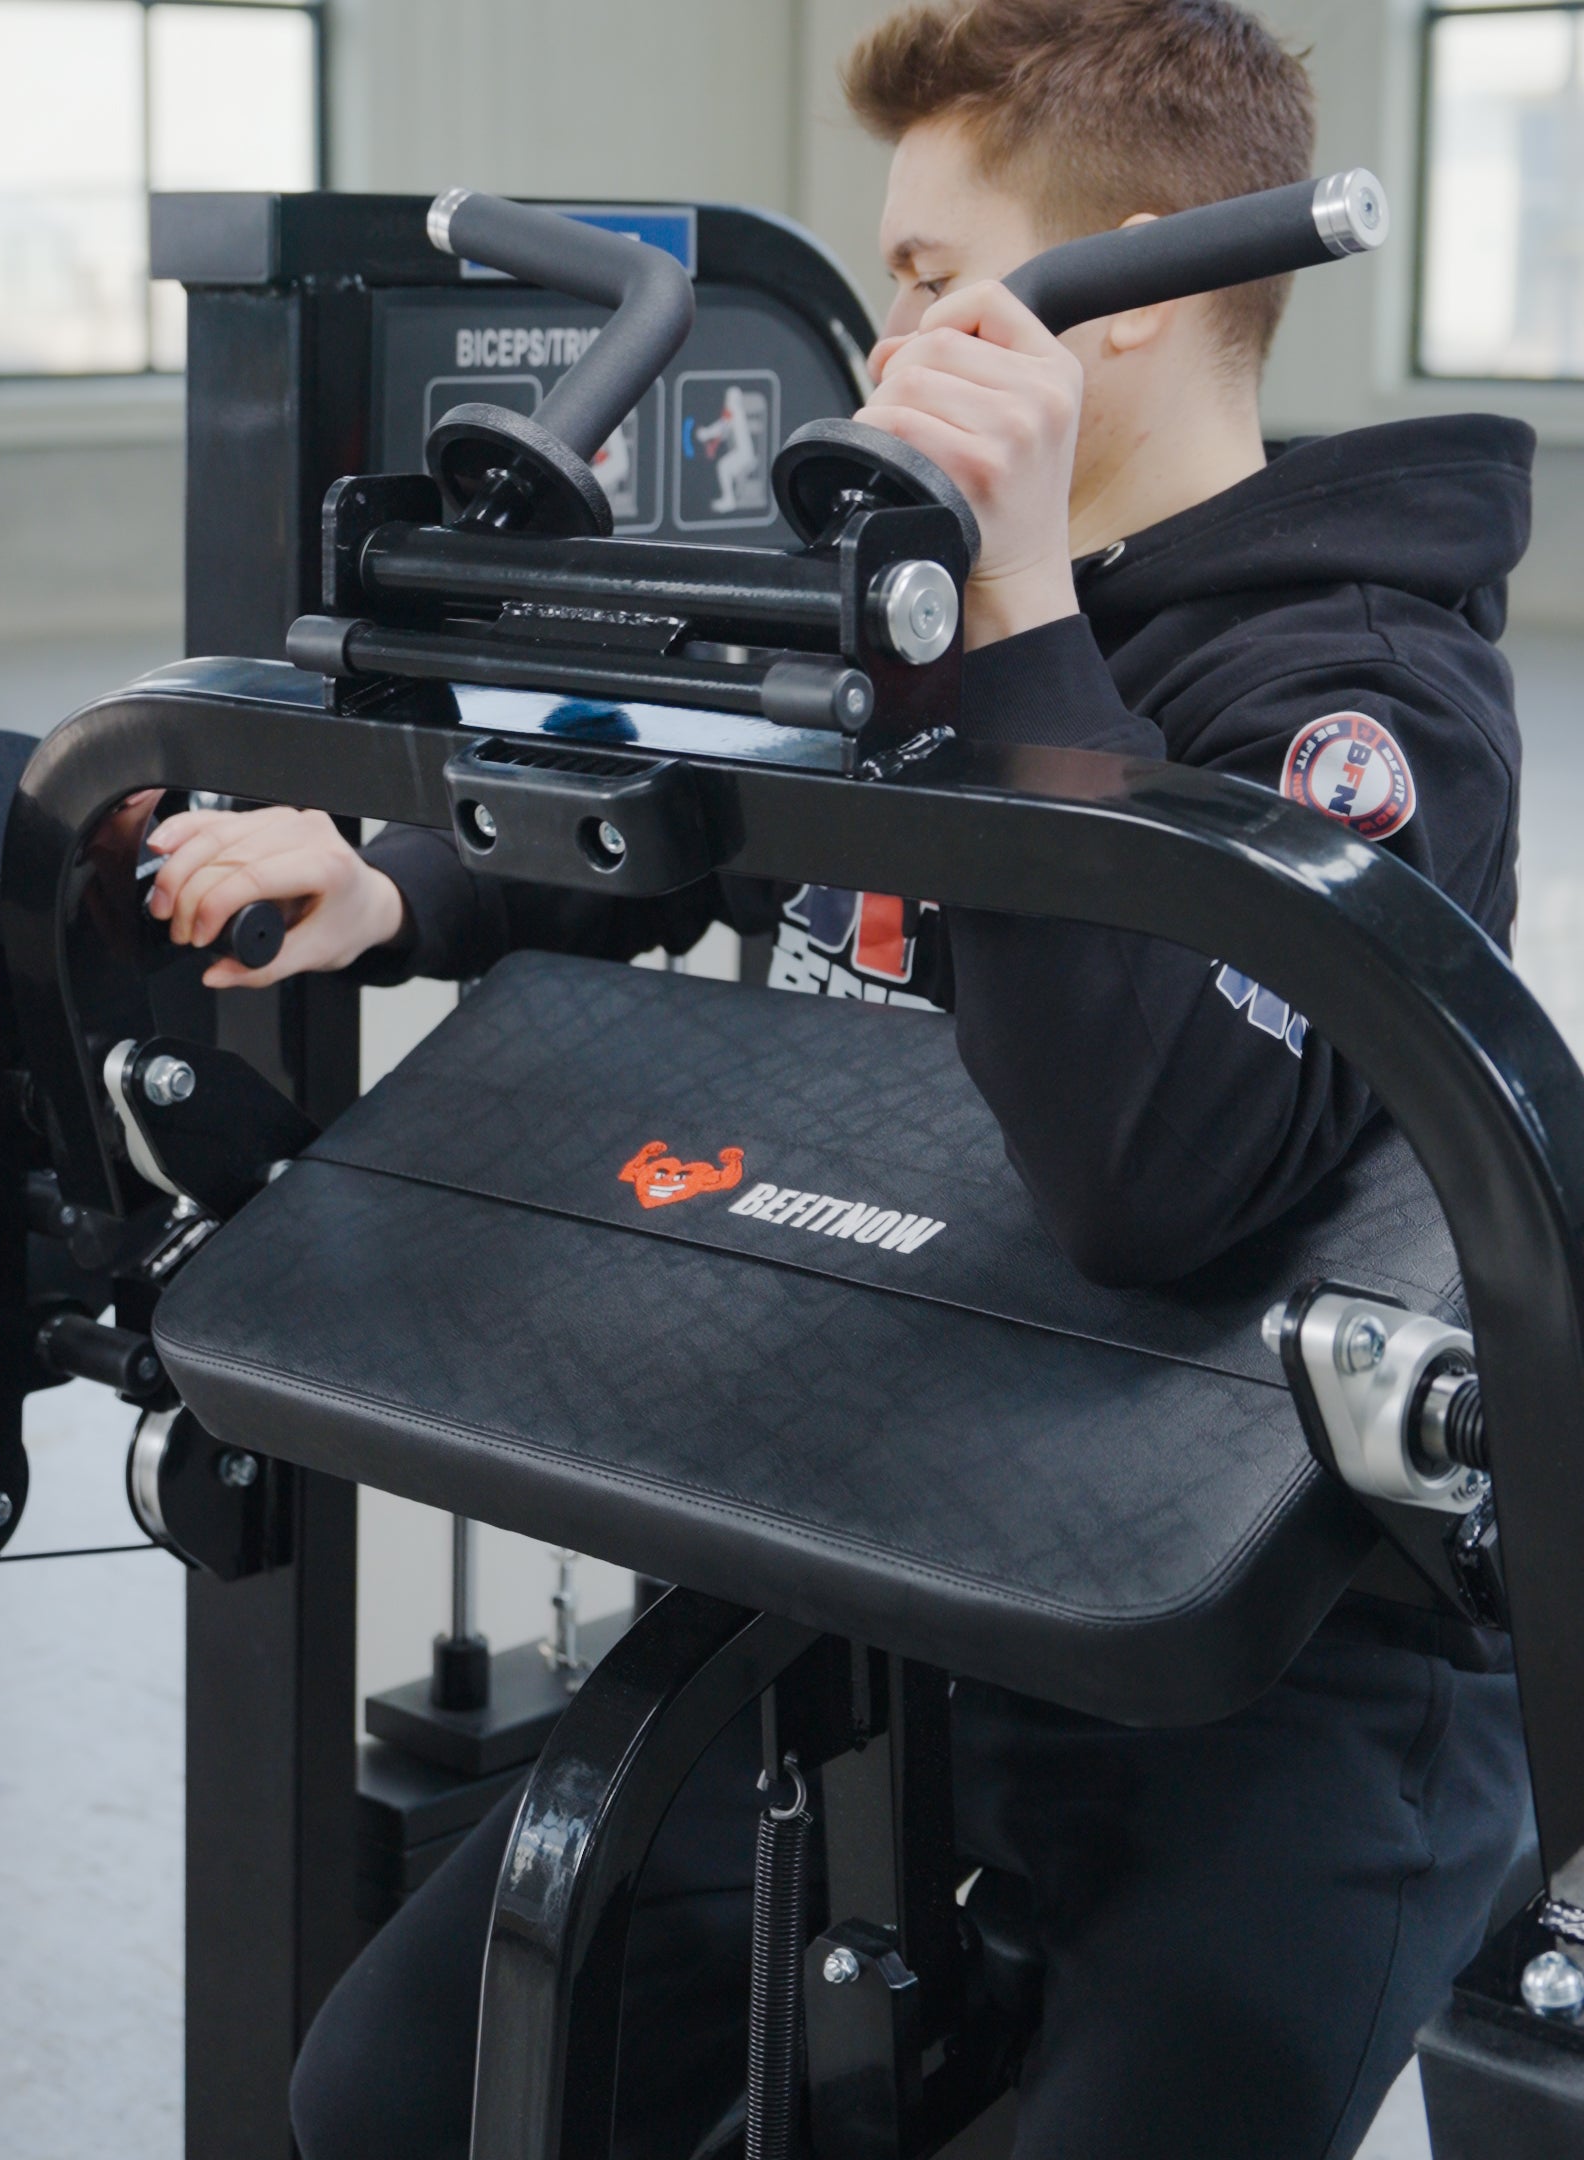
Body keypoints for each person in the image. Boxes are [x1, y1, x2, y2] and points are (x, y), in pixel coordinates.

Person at [137, 2, 1536, 2152]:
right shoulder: (921, 619)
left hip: (1263, 1656)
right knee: (394, 2092)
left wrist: (1020, 597)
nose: (883, 360)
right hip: (912, 1531)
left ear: (1128, 306)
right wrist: (403, 883)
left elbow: (1164, 1176)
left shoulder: (1358, 696)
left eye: (919, 288)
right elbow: (726, 790)